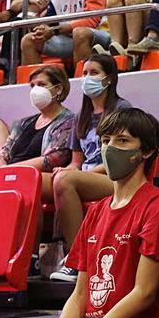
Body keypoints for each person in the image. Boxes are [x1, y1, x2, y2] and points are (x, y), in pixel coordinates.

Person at [21, 108, 159, 318]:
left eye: (122, 141)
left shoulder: (157, 206)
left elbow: (144, 293)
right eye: (106, 141)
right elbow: (80, 293)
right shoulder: (96, 210)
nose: (110, 149)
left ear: (146, 151)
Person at [49, 54, 133, 281]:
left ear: (109, 79)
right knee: (36, 183)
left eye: (94, 73)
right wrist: (69, 169)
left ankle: (77, 260)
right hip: (85, 176)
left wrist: (75, 174)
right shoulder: (81, 116)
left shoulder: (121, 109)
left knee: (65, 181)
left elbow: (117, 159)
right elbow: (77, 160)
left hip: (114, 177)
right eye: (84, 73)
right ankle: (29, 261)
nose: (87, 78)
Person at [0, 65, 76, 176]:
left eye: (41, 84)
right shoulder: (23, 123)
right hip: (8, 173)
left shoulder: (68, 121)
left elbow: (53, 159)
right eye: (33, 85)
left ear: (58, 89)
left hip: (36, 176)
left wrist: (8, 170)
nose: (35, 90)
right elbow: (2, 154)